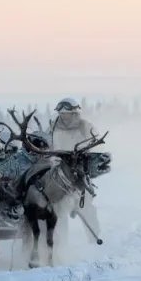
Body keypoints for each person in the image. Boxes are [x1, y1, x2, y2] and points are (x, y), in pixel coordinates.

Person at [50, 97, 103, 243]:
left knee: (85, 206)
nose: (64, 117)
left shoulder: (86, 127)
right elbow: (48, 145)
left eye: (67, 114)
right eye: (62, 115)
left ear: (74, 113)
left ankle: (94, 240)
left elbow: (97, 149)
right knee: (58, 209)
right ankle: (60, 244)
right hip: (58, 174)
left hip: (79, 173)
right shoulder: (53, 127)